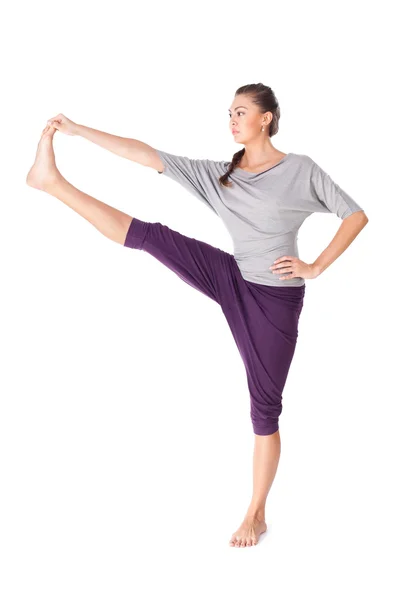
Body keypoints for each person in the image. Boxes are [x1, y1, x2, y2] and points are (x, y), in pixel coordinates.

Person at [26, 83, 368, 548]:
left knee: (264, 409)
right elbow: (148, 155)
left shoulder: (300, 170)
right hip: (231, 276)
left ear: (266, 118)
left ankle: (256, 513)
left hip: (275, 300)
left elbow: (354, 215)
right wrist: (79, 131)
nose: (232, 119)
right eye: (229, 112)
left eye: (241, 112)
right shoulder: (220, 175)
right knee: (154, 236)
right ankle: (53, 183)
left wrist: (315, 266)